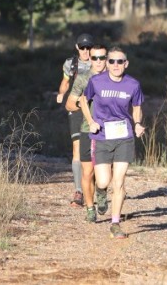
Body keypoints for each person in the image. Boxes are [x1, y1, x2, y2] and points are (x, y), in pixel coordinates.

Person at [79, 46, 145, 239]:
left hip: (124, 138)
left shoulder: (133, 84)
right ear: (107, 63)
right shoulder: (96, 81)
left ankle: (115, 223)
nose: (116, 65)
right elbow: (84, 100)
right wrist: (91, 122)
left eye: (120, 61)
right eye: (112, 61)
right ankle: (100, 190)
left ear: (126, 64)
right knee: (103, 181)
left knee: (119, 181)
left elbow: (137, 107)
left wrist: (138, 123)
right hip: (101, 138)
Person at [65, 44, 107, 223]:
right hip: (86, 129)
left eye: (102, 58)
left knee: (105, 172)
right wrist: (85, 111)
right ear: (90, 59)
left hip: (108, 131)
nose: (99, 62)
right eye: (95, 58)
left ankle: (102, 190)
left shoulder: (112, 77)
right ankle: (90, 208)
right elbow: (69, 104)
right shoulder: (83, 79)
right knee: (87, 172)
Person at [56, 33, 94, 207]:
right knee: (77, 147)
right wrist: (61, 93)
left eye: (88, 47)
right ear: (77, 47)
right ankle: (79, 190)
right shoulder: (71, 63)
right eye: (83, 47)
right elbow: (65, 81)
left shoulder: (99, 60)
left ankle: (96, 185)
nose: (86, 51)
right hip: (77, 107)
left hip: (95, 108)